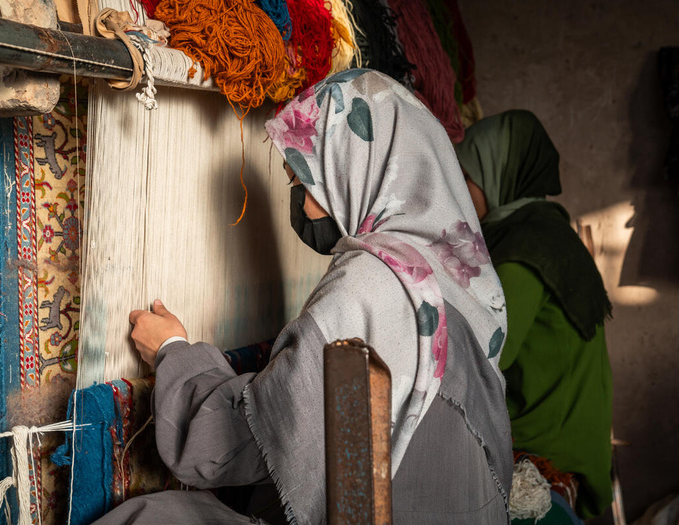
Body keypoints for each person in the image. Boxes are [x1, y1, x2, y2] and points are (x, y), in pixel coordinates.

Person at [95, 69, 512, 524]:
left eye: (304, 184)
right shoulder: (466, 279)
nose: (302, 205)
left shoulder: (366, 288)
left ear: (354, 169)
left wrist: (172, 351)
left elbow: (233, 446)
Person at [455, 110, 614, 523]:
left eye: (466, 177)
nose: (457, 189)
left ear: (497, 176)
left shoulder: (524, 253)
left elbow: (485, 358)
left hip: (550, 446)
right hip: (579, 438)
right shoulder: (548, 233)